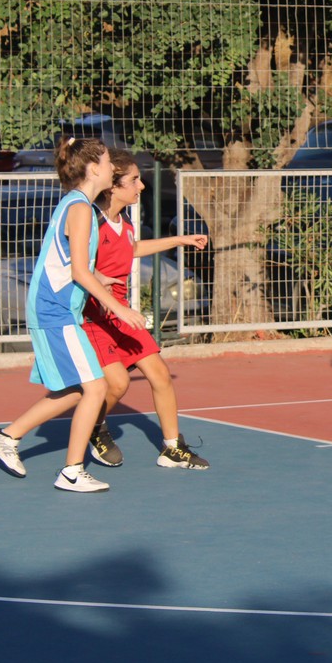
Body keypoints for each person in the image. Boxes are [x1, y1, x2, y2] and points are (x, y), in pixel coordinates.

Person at [0, 137, 148, 492]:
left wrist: (99, 277)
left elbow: (71, 261)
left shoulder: (78, 205)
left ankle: (8, 436)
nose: (112, 167)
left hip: (58, 309)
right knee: (96, 387)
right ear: (92, 169)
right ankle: (72, 471)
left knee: (79, 388)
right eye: (107, 161)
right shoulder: (80, 208)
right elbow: (78, 272)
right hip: (54, 310)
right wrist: (119, 307)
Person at [78, 148, 211, 470]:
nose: (142, 186)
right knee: (117, 384)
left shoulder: (124, 221)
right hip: (94, 317)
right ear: (114, 186)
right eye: (135, 180)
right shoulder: (90, 221)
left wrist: (178, 240)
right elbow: (76, 265)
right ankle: (94, 426)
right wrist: (100, 284)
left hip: (122, 313)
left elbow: (132, 249)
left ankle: (172, 448)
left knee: (160, 374)